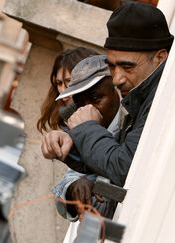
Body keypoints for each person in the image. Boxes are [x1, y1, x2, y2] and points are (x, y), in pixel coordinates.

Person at [41, 2, 173, 187]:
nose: (117, 79)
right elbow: (120, 154)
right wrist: (72, 146)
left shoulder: (164, 101)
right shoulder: (142, 94)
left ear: (160, 57)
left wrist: (86, 128)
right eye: (112, 66)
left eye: (128, 66)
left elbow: (122, 168)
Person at [51, 55, 120, 220]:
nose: (88, 108)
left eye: (96, 99)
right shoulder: (78, 124)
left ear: (117, 89)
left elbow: (120, 171)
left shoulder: (130, 122)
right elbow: (70, 180)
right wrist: (75, 187)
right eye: (80, 104)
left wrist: (95, 186)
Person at [37, 47, 99, 133]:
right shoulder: (61, 119)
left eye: (69, 82)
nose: (63, 91)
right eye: (59, 83)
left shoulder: (108, 121)